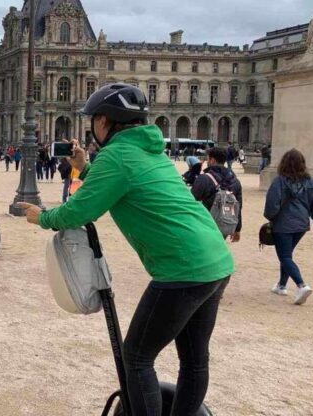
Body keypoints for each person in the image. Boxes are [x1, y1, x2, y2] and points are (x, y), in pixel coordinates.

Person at [18, 83, 233, 416]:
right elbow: (121, 184)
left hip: (182, 268)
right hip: (215, 260)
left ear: (104, 121)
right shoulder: (150, 150)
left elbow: (79, 211)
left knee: (136, 357)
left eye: (94, 120)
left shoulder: (116, 155)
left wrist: (43, 217)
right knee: (194, 360)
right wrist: (85, 167)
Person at [264, 149, 313, 305]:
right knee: (287, 254)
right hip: (302, 224)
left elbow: (272, 204)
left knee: (284, 256)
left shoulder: (279, 181)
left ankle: (301, 285)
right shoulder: (310, 182)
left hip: (283, 223)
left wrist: (271, 217)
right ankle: (281, 285)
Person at [191, 147, 243, 242]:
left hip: (206, 223)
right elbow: (238, 207)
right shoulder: (235, 181)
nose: (207, 162)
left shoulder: (204, 178)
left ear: (213, 160)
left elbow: (191, 201)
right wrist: (237, 229)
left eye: (208, 159)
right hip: (225, 224)